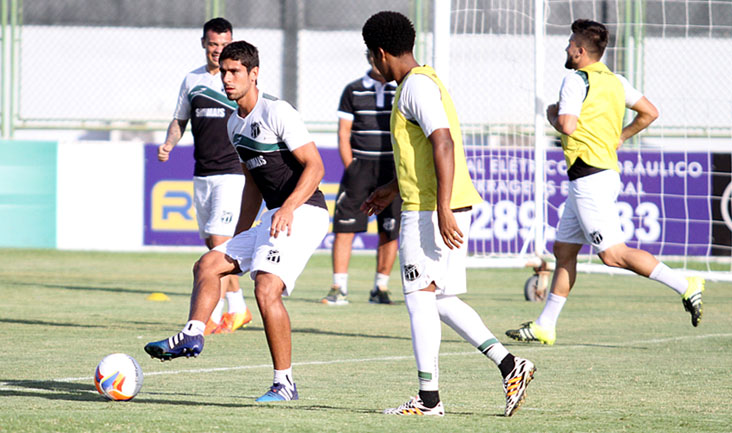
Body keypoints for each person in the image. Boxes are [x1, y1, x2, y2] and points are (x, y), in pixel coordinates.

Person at [360, 11, 535, 417]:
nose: (372, 65)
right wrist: (391, 189)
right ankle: (512, 366)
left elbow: (442, 142)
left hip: (431, 209)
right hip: (440, 202)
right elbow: (427, 149)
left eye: (371, 57)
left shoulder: (413, 87)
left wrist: (439, 207)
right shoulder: (425, 80)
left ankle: (428, 400)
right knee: (439, 299)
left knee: (419, 299)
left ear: (382, 53)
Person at [145, 40, 329, 403]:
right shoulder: (234, 124)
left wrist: (289, 207)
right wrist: (242, 235)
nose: (227, 79)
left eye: (235, 72)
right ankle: (193, 333)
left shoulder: (278, 111)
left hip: (305, 211)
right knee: (210, 264)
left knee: (265, 288)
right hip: (275, 214)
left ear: (254, 74)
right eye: (224, 72)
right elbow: (252, 185)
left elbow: (316, 166)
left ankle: (285, 383)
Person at [506, 19, 705, 346]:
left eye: (570, 43)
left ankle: (686, 284)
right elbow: (650, 112)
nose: (566, 48)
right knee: (564, 249)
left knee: (612, 254)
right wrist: (620, 136)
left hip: (590, 178)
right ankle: (545, 325)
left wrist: (551, 115)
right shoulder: (615, 81)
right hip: (597, 174)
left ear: (580, 51)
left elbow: (567, 126)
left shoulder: (574, 79)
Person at [159, 17, 251, 334]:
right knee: (213, 243)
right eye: (213, 44)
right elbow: (179, 119)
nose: (218, 50)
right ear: (204, 44)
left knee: (218, 245)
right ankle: (238, 308)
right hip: (203, 174)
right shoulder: (192, 80)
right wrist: (169, 144)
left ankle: (214, 314)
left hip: (232, 172)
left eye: (224, 44)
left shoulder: (237, 80)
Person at [322, 52, 401, 306]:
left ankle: (380, 287)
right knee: (344, 227)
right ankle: (338, 287)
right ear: (369, 58)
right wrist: (352, 167)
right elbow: (343, 133)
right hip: (360, 169)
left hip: (392, 170)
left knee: (390, 229)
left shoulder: (401, 89)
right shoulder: (353, 90)